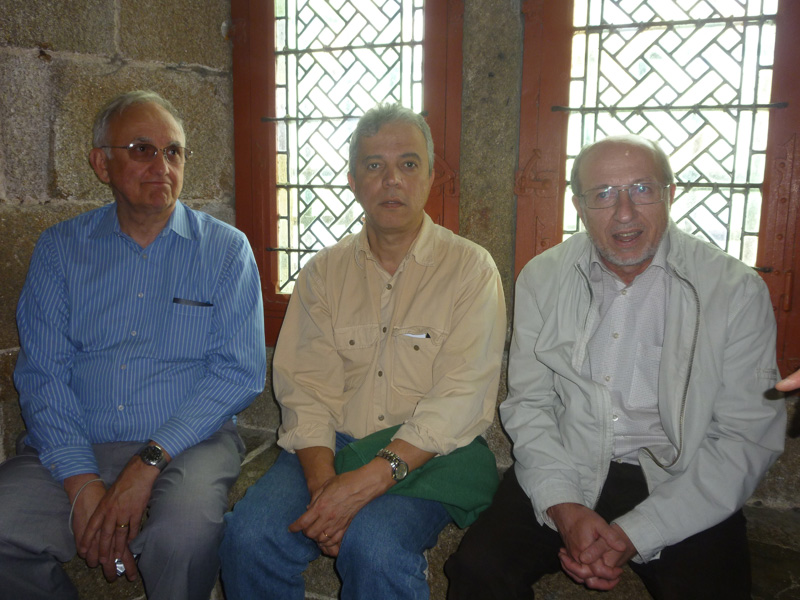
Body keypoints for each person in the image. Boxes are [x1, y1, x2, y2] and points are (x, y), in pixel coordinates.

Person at [445, 134, 787, 599]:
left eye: (642, 190)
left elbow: (745, 435)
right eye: (603, 194)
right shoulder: (543, 277)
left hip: (681, 477)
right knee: (478, 570)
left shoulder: (734, 290)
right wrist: (563, 505)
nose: (625, 213)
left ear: (670, 194)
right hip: (568, 460)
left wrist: (638, 532)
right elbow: (529, 404)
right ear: (579, 206)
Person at [219, 103, 506, 599]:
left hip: (430, 453)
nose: (392, 180)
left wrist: (367, 482)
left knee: (374, 546)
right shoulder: (323, 272)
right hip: (331, 445)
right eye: (374, 165)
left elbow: (461, 396)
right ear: (353, 181)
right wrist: (325, 490)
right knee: (248, 538)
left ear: (431, 176)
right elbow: (305, 388)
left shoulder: (470, 269)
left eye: (408, 164)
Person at [0, 90, 267, 600]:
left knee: (183, 534)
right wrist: (82, 483)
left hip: (190, 443)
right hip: (80, 438)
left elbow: (239, 372)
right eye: (143, 149)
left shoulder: (226, 251)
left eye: (174, 152)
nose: (162, 166)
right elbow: (42, 375)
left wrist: (147, 463)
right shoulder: (60, 250)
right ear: (102, 163)